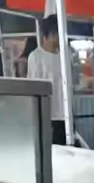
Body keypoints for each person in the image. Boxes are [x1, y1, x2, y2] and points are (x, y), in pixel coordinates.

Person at [28, 14, 67, 146]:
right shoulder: (36, 57)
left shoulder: (65, 56)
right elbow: (34, 88)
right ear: (51, 33)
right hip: (48, 116)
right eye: (59, 33)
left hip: (66, 115)